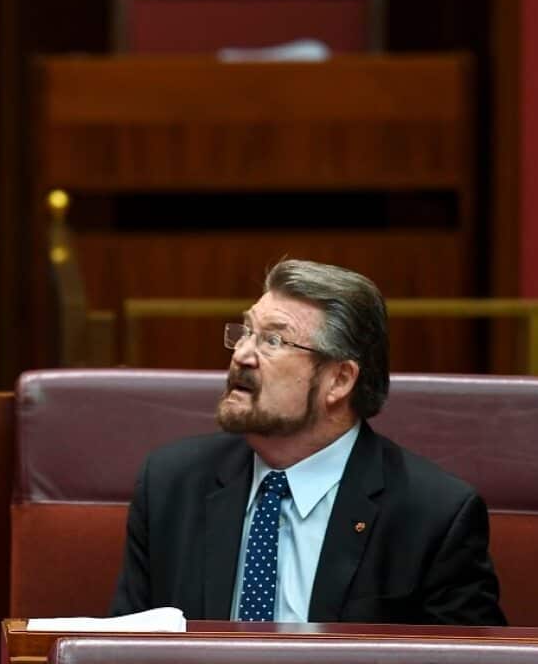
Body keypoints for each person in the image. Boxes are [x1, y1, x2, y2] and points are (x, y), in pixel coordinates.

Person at [110, 257, 506, 625]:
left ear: (339, 380)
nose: (242, 355)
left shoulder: (432, 515)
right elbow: (123, 646)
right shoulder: (172, 485)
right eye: (246, 332)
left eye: (273, 341)